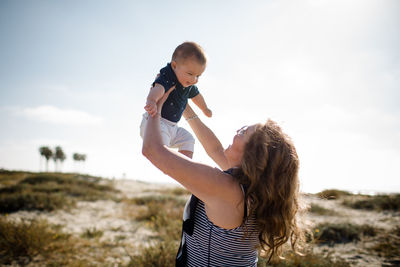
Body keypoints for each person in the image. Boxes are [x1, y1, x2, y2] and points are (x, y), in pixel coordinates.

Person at [142, 90, 303, 266]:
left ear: (253, 154)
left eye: (243, 132)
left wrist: (155, 107)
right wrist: (185, 106)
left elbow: (153, 151)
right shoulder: (251, 188)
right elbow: (215, 150)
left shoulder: (228, 190)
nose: (237, 130)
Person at [140, 41, 212, 159]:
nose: (194, 79)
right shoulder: (168, 77)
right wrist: (152, 101)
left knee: (188, 139)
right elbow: (158, 88)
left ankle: (184, 165)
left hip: (173, 127)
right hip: (157, 123)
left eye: (198, 76)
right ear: (174, 66)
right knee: (162, 145)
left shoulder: (188, 84)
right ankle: (167, 163)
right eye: (190, 73)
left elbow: (197, 96)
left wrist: (205, 108)